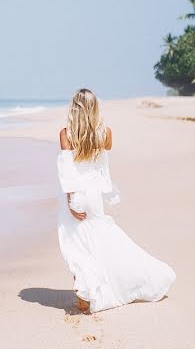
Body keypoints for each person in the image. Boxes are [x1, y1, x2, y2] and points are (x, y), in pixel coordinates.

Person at [57, 88, 176, 313]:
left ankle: (85, 295)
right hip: (94, 196)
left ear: (74, 108)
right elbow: (103, 155)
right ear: (94, 108)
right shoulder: (105, 134)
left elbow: (67, 172)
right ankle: (91, 291)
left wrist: (71, 202)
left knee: (76, 246)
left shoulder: (66, 134)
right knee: (97, 242)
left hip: (77, 195)